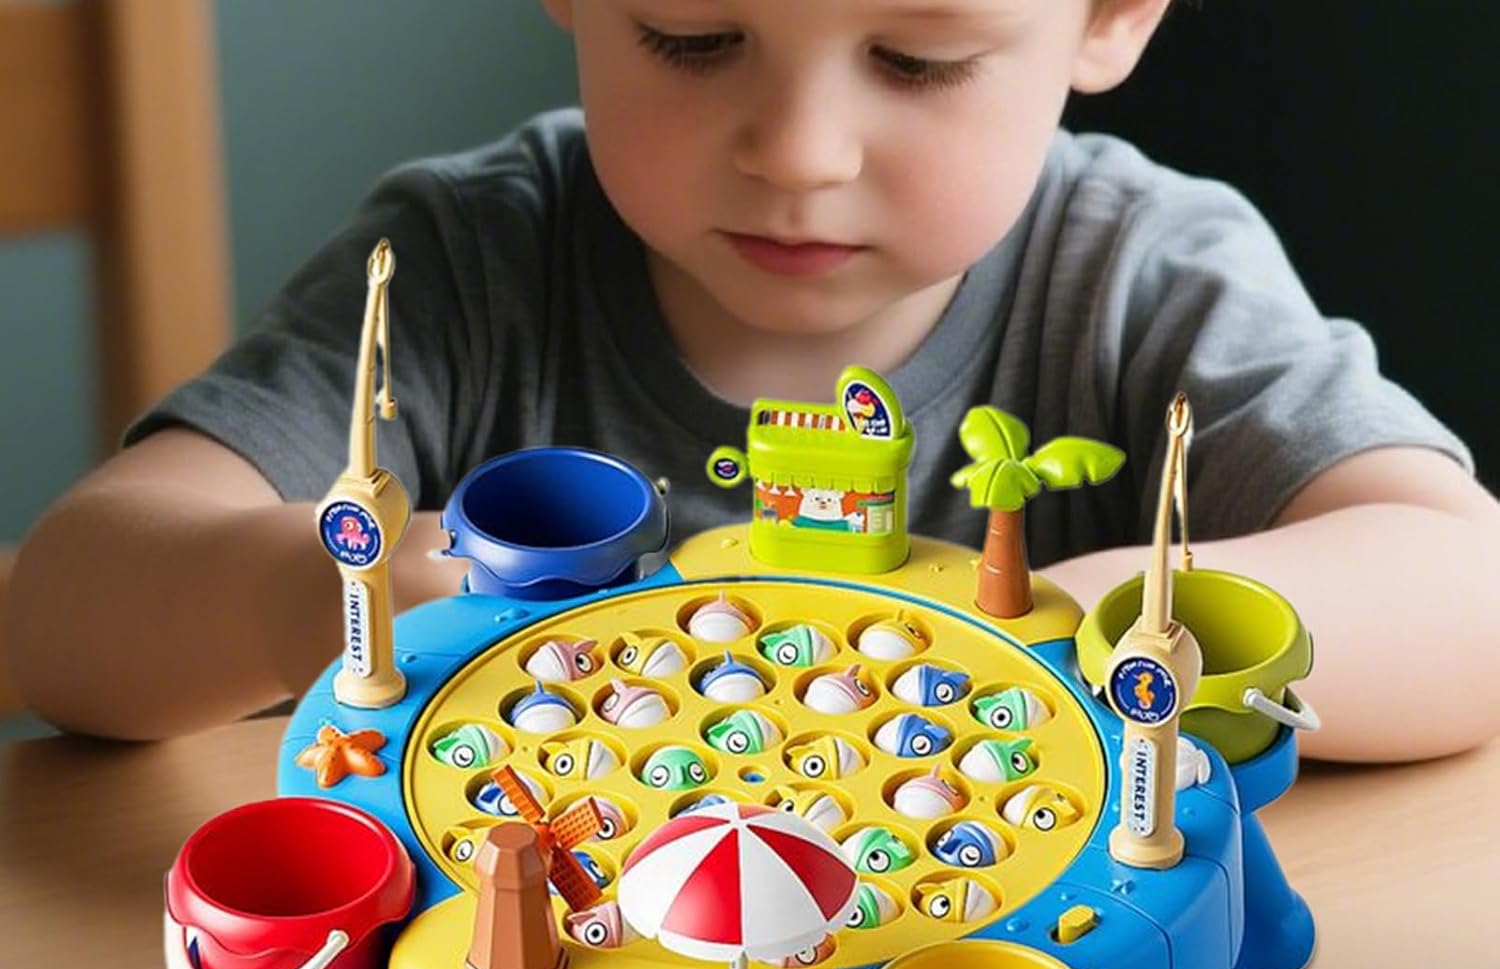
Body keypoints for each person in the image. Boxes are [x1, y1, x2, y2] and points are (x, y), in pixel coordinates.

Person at [6, 0, 1498, 758]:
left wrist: (1089, 627)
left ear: (1109, 15)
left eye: (915, 58)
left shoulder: (1140, 276)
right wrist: (314, 598)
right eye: (695, 36)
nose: (798, 151)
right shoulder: (467, 268)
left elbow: (1464, 590)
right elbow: (59, 610)